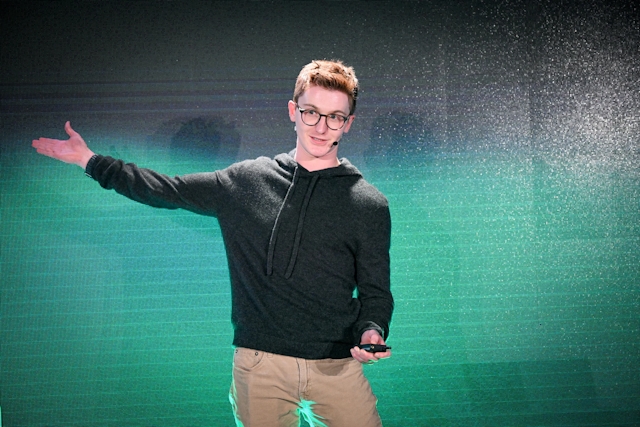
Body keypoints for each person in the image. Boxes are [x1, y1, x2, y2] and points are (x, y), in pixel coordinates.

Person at [32, 59, 393, 427]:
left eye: (334, 117)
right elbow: (165, 189)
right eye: (312, 112)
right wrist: (89, 160)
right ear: (293, 111)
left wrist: (371, 331)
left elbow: (375, 294)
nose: (321, 126)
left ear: (347, 123)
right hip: (259, 368)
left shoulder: (368, 203)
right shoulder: (246, 181)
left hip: (337, 368)